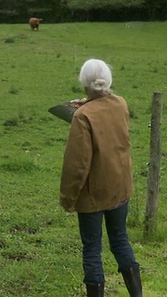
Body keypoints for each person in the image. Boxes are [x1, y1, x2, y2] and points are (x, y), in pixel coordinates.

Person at [59, 58, 142, 297]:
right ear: (107, 80)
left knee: (92, 250)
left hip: (92, 195)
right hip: (119, 187)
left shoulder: (82, 116)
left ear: (84, 82)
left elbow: (77, 165)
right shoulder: (120, 104)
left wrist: (68, 197)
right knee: (120, 240)